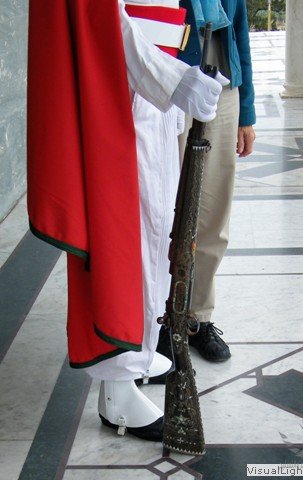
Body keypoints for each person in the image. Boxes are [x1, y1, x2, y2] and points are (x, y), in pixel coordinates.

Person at [27, 0, 228, 442]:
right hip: (116, 91)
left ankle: (136, 349)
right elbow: (100, 24)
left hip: (150, 84)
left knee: (156, 230)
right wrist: (172, 82)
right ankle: (117, 389)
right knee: (126, 237)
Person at [157, 0, 256, 363]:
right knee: (163, 210)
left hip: (222, 87)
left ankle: (197, 317)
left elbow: (239, 30)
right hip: (166, 83)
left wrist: (246, 110)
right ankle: (161, 319)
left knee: (213, 212)